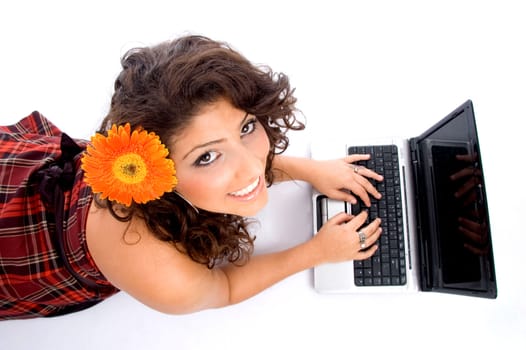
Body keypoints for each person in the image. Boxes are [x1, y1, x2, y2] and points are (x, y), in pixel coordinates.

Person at [0, 35, 383, 320]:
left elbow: (241, 161)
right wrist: (316, 252)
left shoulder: (135, 160)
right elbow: (225, 287)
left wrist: (310, 169)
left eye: (247, 127)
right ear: (153, 170)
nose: (251, 168)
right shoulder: (159, 271)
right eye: (207, 156)